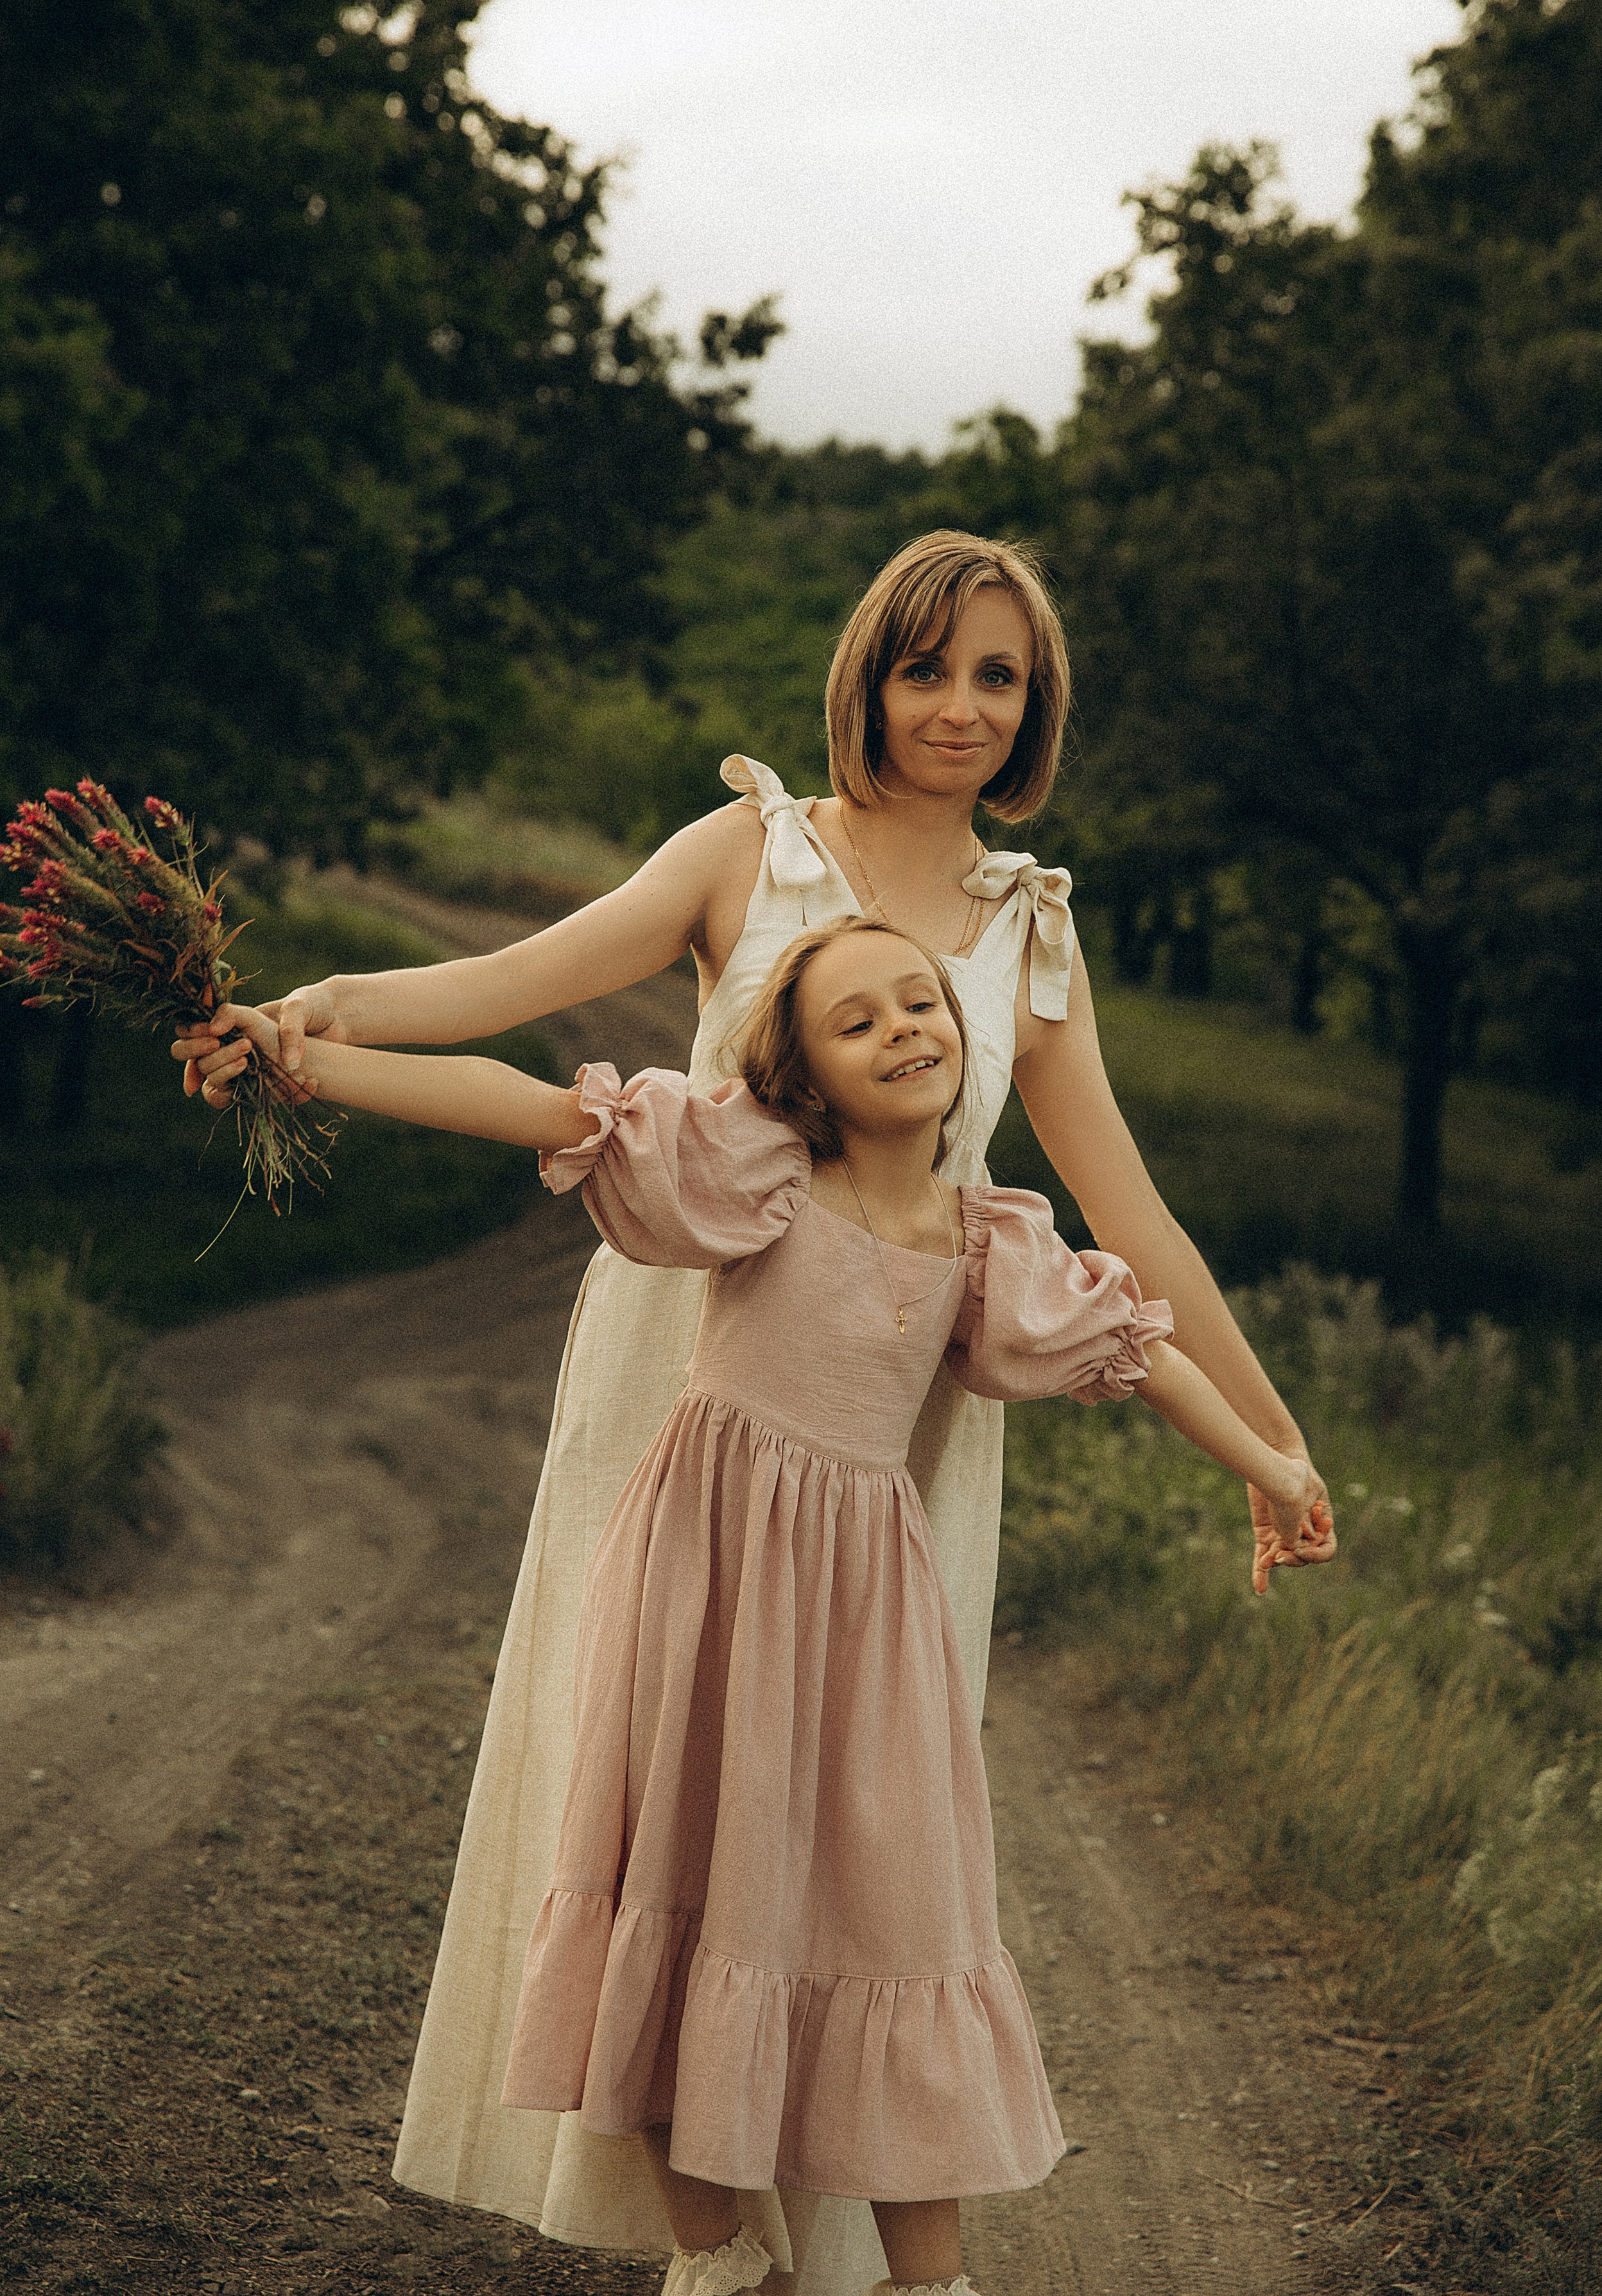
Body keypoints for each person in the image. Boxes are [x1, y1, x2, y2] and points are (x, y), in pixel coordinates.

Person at [173, 531, 1336, 2290]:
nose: (957, 706)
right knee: (664, 1795)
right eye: (925, 666)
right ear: (867, 674)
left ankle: (863, 2244)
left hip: (896, 1440)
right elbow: (516, 996)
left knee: (864, 1846)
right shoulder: (753, 847)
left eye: (997, 677)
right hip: (688, 1382)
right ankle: (709, 2231)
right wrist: (306, 1014)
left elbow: (1134, 1223)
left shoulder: (1032, 939)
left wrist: (1275, 1438)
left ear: (1037, 706)